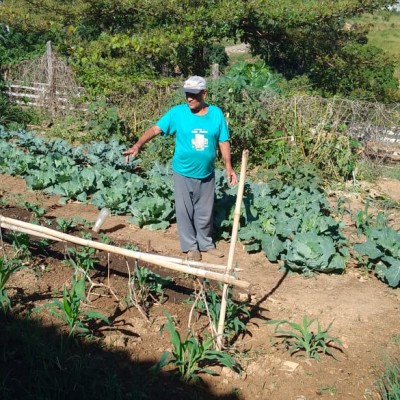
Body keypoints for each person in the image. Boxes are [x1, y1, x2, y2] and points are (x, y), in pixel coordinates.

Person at [123, 76, 237, 261]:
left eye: (193, 95)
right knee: (185, 211)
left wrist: (228, 167)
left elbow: (223, 140)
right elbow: (155, 129)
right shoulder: (178, 113)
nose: (189, 99)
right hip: (183, 171)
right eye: (187, 95)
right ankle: (191, 247)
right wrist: (137, 145)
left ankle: (206, 243)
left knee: (205, 210)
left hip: (207, 172)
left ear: (204, 93)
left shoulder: (216, 114)